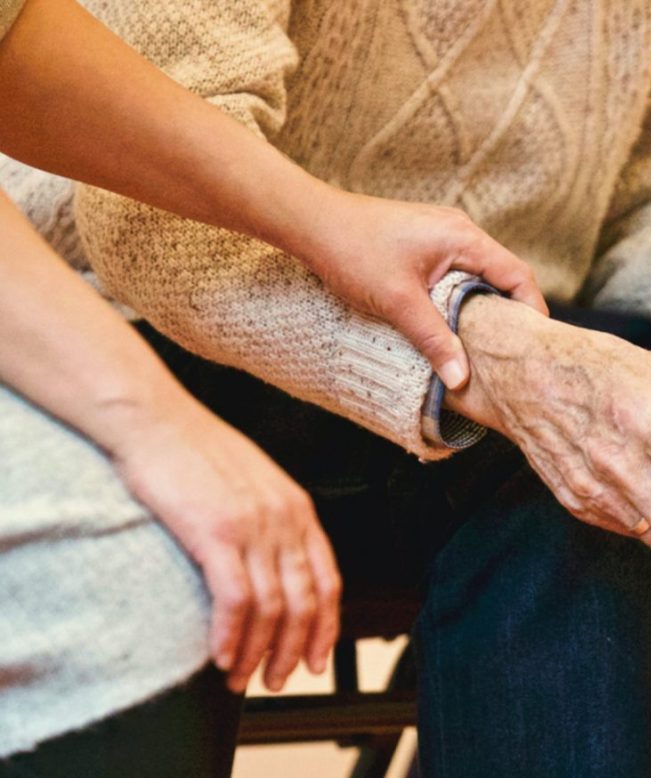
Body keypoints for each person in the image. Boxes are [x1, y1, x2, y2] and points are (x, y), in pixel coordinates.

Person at [4, 1, 651, 777]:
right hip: (220, 347)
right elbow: (145, 212)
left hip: (559, 344)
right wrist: (493, 358)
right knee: (579, 467)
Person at [0, 0, 543, 770]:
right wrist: (157, 425)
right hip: (123, 321)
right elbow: (136, 225)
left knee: (552, 470)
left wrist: (329, 221)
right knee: (132, 591)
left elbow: (15, 40)